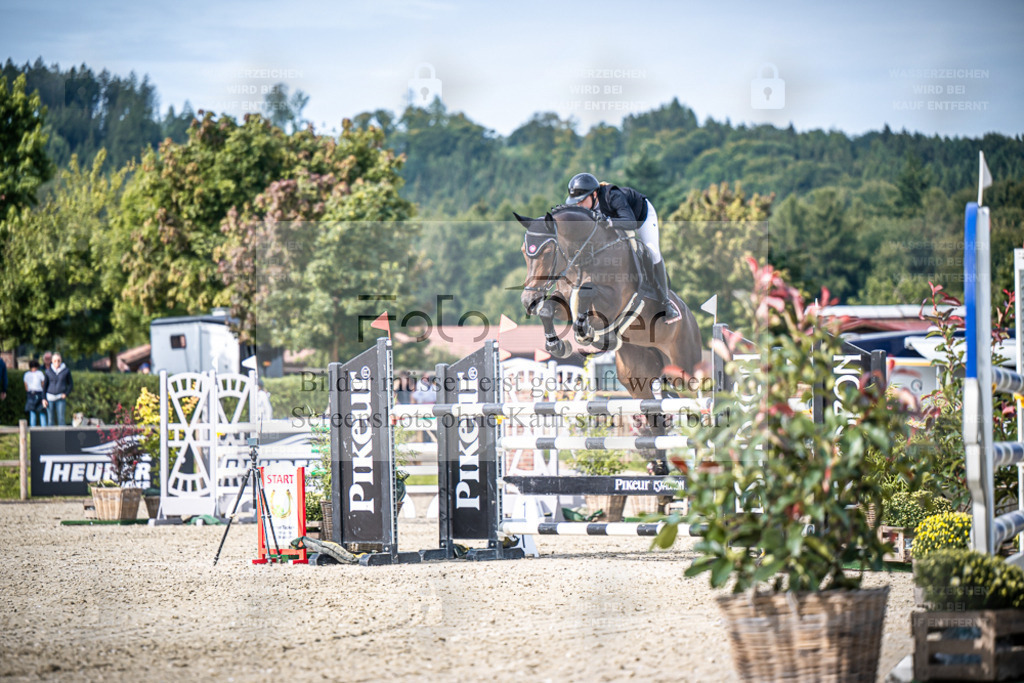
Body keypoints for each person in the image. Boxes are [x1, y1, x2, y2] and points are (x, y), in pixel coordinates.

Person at [565, 172, 681, 322]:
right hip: (618, 220)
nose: (578, 205)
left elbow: (630, 223)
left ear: (594, 194)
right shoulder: (588, 208)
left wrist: (608, 221)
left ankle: (666, 302)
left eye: (581, 200)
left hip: (641, 217)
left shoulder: (612, 195)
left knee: (652, 252)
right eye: (576, 202)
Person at [43, 352, 72, 427]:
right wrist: (43, 399)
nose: (57, 362)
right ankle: (51, 437)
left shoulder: (66, 371)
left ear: (61, 361)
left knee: (61, 419)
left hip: (60, 398)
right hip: (50, 398)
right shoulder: (48, 371)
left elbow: (70, 384)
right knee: (50, 420)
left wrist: (66, 393)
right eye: (55, 360)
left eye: (58, 360)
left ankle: (63, 438)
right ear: (52, 361)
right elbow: (45, 386)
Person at [23, 360, 47, 427]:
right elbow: (43, 384)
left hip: (30, 394)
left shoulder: (26, 374)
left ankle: (32, 430)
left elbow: (26, 387)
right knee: (42, 412)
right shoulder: (40, 373)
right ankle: (44, 429)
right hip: (39, 393)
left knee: (32, 413)